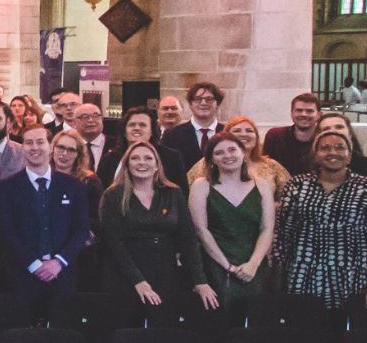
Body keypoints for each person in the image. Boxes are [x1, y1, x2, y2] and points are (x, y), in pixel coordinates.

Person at [275, 128, 367, 314]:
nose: (332, 152)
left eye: (340, 148)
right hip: (304, 273)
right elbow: (284, 231)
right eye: (325, 148)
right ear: (316, 155)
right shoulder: (297, 185)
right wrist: (278, 276)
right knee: (306, 329)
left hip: (353, 275)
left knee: (346, 332)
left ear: (349, 155)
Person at [0, 123, 92, 321]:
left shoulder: (74, 186)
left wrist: (59, 262)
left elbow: (81, 229)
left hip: (62, 275)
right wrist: (34, 264)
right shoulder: (8, 187)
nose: (34, 147)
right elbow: (7, 232)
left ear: (50, 147)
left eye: (40, 142)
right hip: (22, 277)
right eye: (29, 143)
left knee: (61, 337)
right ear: (23, 148)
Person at [99, 141, 212, 311]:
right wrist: (138, 281)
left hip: (165, 273)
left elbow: (188, 238)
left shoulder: (173, 193)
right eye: (135, 158)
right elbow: (114, 242)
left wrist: (200, 280)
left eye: (148, 158)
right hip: (124, 274)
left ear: (157, 165)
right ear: (127, 165)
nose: (142, 162)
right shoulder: (113, 195)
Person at [189, 132, 274, 311]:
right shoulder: (201, 185)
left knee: (254, 321)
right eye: (219, 152)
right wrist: (228, 266)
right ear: (211, 159)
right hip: (216, 266)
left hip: (254, 266)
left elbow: (267, 229)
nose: (227, 155)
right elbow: (201, 230)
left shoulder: (262, 185)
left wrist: (254, 263)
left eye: (232, 150)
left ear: (243, 153)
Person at [187, 117, 292, 200]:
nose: (243, 134)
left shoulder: (272, 166)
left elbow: (290, 197)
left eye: (249, 130)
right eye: (237, 131)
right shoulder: (207, 163)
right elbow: (187, 191)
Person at [97, 106, 185, 187]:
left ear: (152, 132)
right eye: (132, 125)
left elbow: (180, 192)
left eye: (142, 125)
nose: (137, 128)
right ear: (124, 131)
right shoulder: (109, 159)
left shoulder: (171, 157)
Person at [262, 93, 324, 176]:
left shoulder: (325, 140)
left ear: (319, 115)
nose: (303, 114)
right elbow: (265, 169)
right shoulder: (275, 136)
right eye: (299, 110)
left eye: (309, 111)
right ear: (291, 113)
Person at [168, 82, 224, 173]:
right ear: (190, 105)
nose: (203, 103)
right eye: (198, 99)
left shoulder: (228, 132)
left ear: (217, 104)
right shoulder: (172, 135)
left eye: (209, 99)